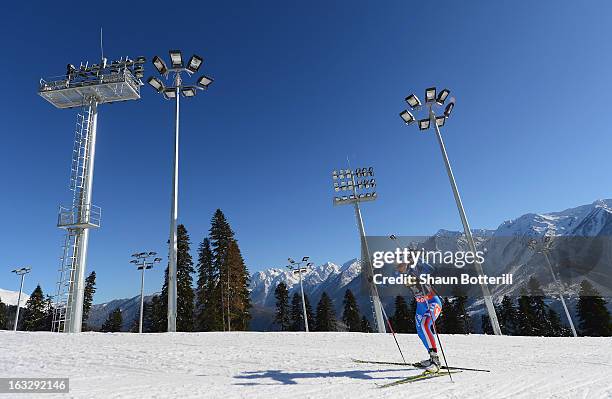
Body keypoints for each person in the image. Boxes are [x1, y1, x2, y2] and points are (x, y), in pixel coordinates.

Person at [396, 260, 442, 372]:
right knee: (420, 331)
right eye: (397, 265)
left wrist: (417, 260)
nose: (398, 267)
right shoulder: (400, 275)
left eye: (400, 264)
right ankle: (431, 357)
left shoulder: (416, 269)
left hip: (432, 302)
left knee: (425, 324)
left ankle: (435, 360)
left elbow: (431, 269)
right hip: (420, 305)